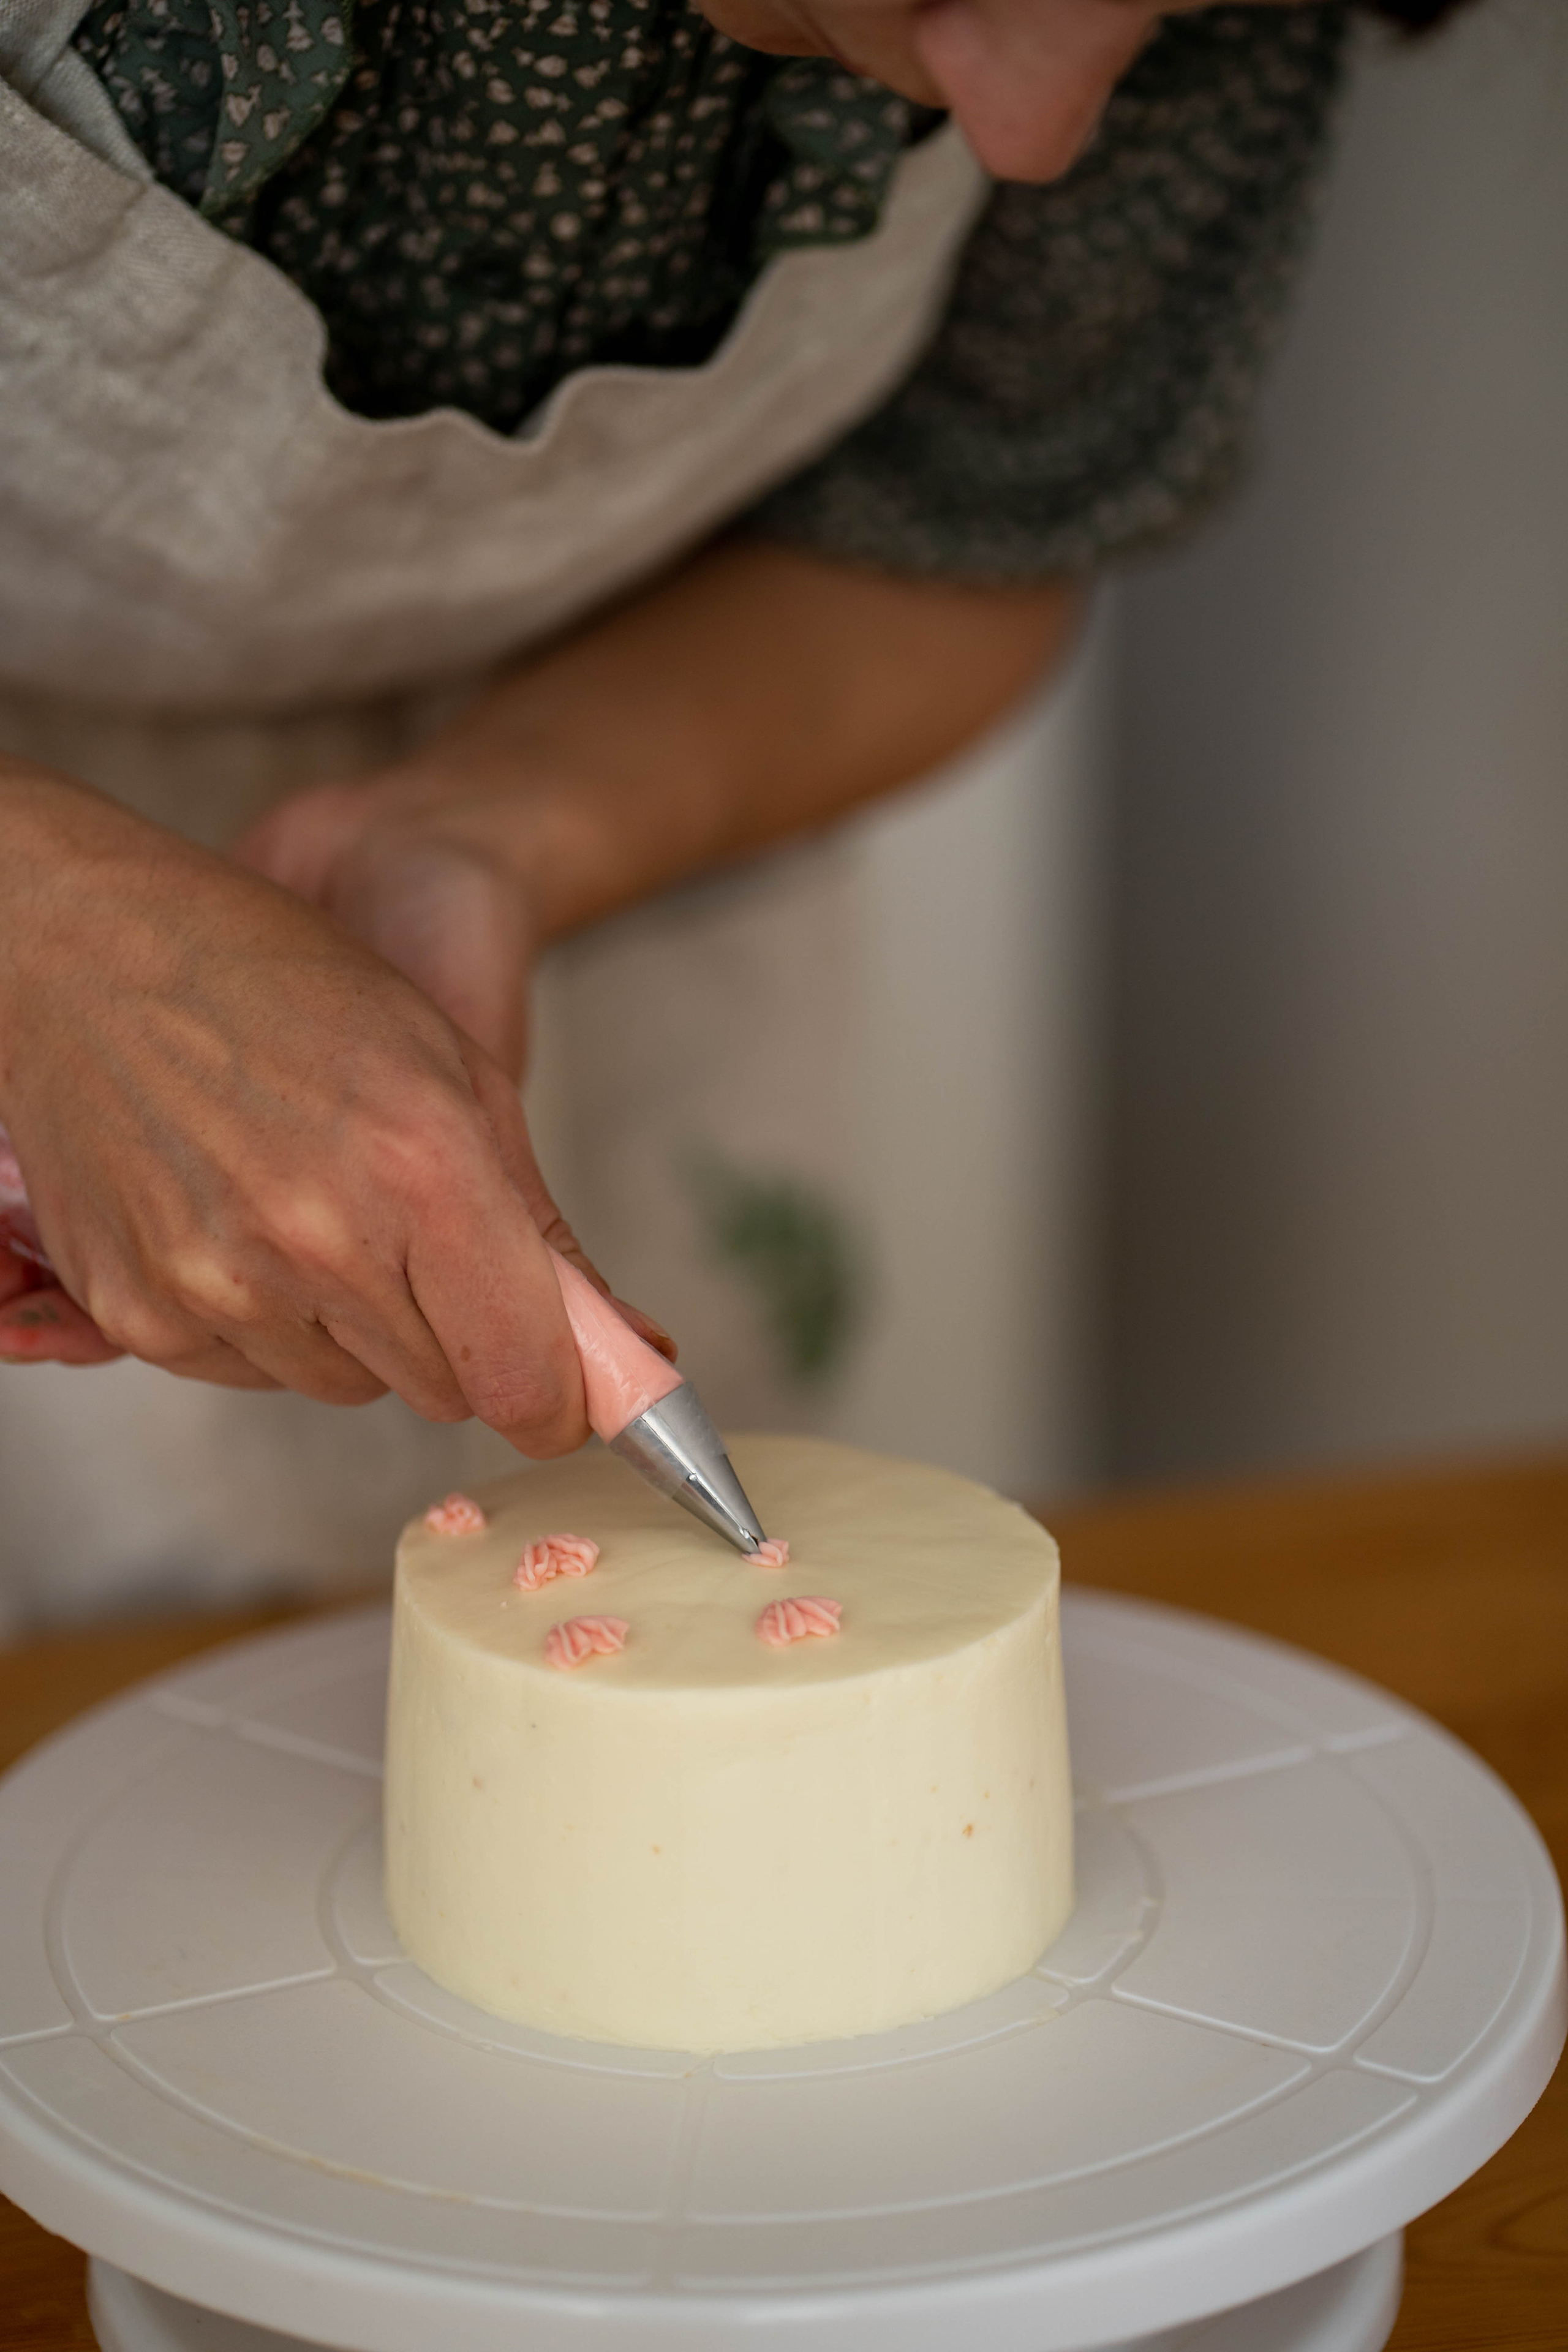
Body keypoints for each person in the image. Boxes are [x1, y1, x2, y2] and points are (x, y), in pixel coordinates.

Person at [0, 0, 1461, 1613]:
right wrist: (53, 926)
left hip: (626, 855)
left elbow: (974, 535)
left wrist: (485, 834)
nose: (1035, 130)